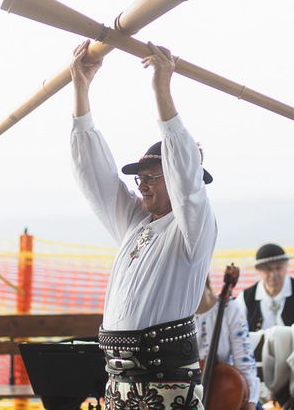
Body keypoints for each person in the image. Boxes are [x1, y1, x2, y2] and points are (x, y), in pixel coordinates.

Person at [70, 40, 217, 409]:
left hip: (165, 387)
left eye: (154, 176)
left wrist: (162, 90)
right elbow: (95, 178)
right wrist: (81, 90)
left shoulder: (192, 231)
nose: (143, 184)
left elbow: (187, 181)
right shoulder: (136, 224)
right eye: (141, 178)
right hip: (119, 384)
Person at [236, 243, 294, 348]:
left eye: (278, 268)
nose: (274, 274)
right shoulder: (245, 298)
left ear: (286, 266)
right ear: (258, 270)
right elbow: (239, 337)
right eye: (268, 269)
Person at [195, 275, 260, 410]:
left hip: (229, 393)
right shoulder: (175, 315)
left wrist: (250, 404)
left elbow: (245, 362)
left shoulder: (230, 309)